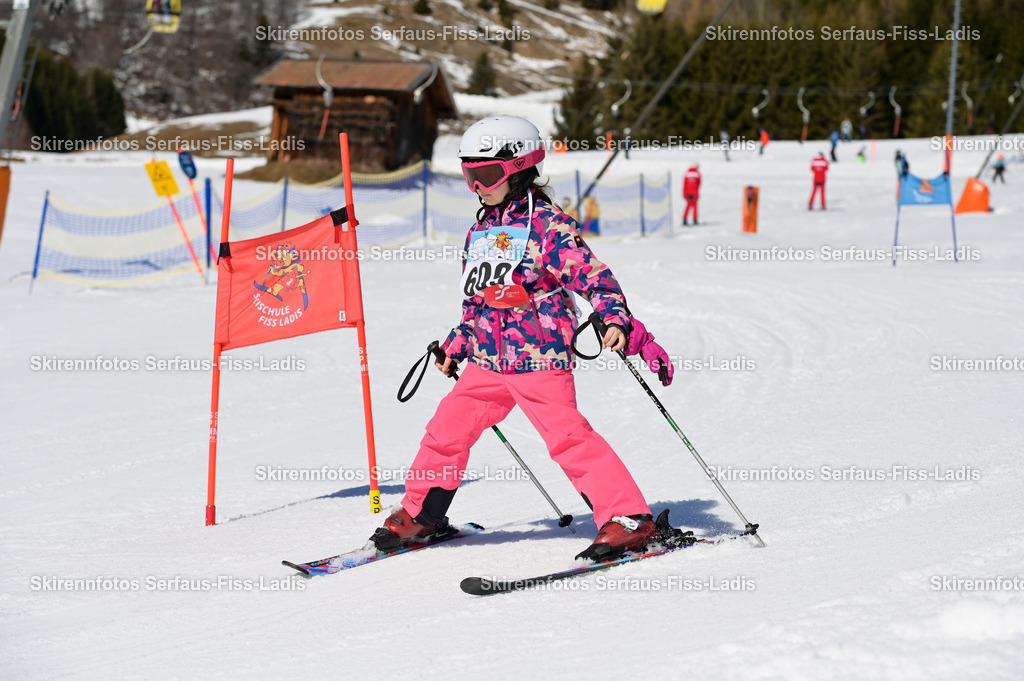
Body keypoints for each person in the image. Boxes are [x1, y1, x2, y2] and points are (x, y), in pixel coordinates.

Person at [369, 116, 675, 562]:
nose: (477, 185)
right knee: (445, 432)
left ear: (519, 167)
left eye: (487, 174)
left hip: (539, 356)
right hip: (487, 362)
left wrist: (614, 317)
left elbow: (594, 276)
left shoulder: (547, 225)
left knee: (567, 438)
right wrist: (457, 342)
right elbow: (478, 298)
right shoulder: (480, 232)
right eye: (470, 174)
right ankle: (421, 514)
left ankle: (628, 518)